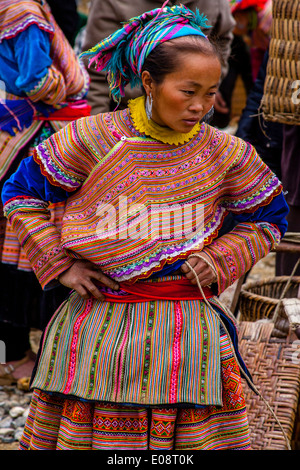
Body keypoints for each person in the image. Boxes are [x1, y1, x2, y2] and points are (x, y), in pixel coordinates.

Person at [2, 3, 288, 450]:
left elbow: (269, 214)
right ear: (149, 82)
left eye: (212, 93)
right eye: (187, 90)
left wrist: (220, 258)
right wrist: (61, 265)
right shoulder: (93, 138)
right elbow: (21, 194)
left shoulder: (224, 154)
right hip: (100, 328)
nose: (200, 107)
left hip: (189, 331)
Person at [0, 0, 90, 383]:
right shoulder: (24, 12)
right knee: (29, 236)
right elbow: (36, 80)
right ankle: (16, 355)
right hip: (33, 134)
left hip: (14, 130)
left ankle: (16, 351)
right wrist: (67, 92)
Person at [81, 0, 236, 114]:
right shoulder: (112, 3)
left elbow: (223, 37)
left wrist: (204, 85)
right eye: (187, 91)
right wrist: (100, 131)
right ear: (147, 81)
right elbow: (97, 71)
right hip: (126, 109)